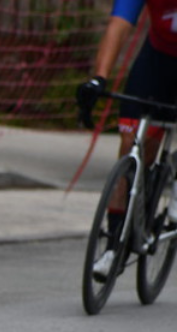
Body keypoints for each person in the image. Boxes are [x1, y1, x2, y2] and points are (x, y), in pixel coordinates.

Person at [76, 0, 177, 279]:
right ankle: (114, 246)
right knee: (133, 146)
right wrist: (99, 78)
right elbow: (118, 25)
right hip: (157, 59)